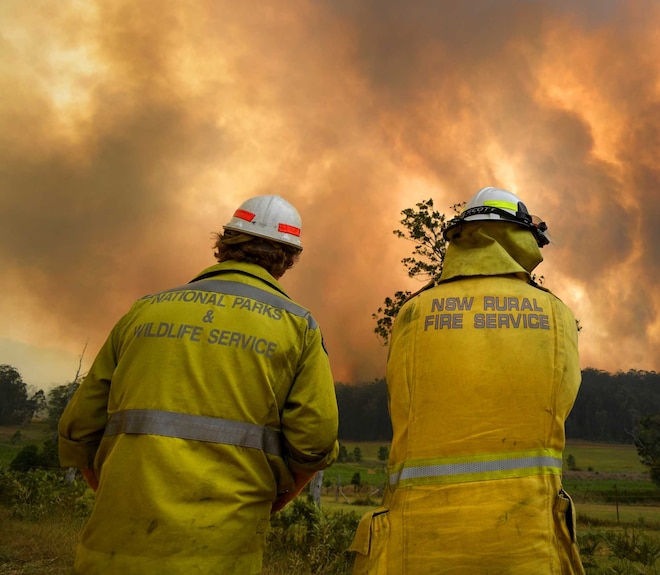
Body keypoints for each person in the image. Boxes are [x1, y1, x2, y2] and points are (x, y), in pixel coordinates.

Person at [59, 195, 340, 574]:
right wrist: (276, 498)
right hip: (220, 553)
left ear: (224, 244)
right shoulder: (297, 327)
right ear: (288, 259)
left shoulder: (146, 309)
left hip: (111, 551)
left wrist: (108, 489)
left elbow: (79, 427)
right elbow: (316, 439)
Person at [349, 186, 585, 575]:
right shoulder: (556, 315)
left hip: (417, 547)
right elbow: (560, 406)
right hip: (527, 546)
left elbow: (401, 404)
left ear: (461, 238)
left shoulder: (413, 312)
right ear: (522, 237)